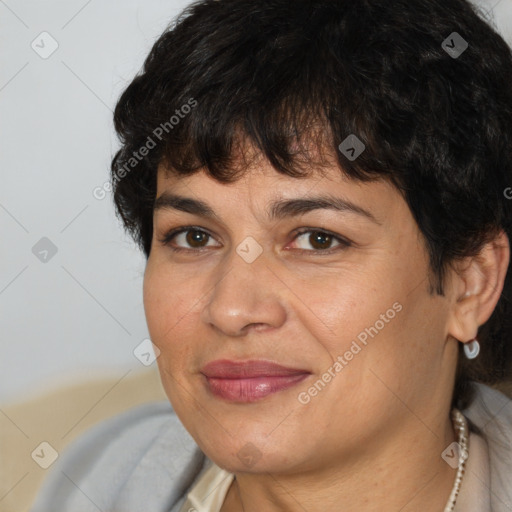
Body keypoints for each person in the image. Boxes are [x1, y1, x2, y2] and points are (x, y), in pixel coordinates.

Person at [31, 0, 512, 511]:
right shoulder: (101, 478)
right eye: (194, 237)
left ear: (470, 283)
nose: (231, 310)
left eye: (316, 239)